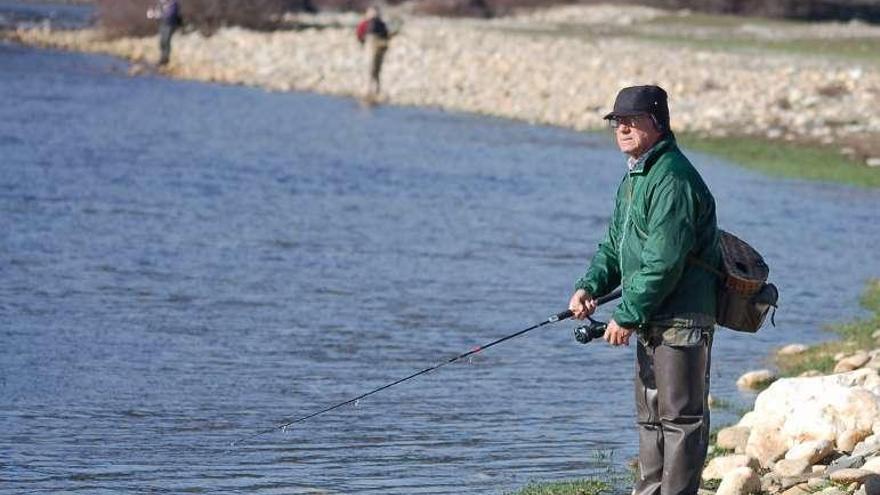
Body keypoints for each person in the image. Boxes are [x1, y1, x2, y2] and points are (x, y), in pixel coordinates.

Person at [568, 85, 721, 495]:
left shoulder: (673, 179)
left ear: (657, 123)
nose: (622, 128)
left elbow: (664, 261)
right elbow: (615, 246)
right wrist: (589, 287)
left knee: (681, 419)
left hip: (682, 316)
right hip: (653, 314)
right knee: (651, 417)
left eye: (632, 120)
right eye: (618, 121)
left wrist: (627, 314)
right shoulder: (636, 176)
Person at [356, 6, 391, 99]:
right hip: (370, 44)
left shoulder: (381, 23)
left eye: (375, 13)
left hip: (378, 46)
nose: (373, 15)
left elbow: (386, 35)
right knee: (369, 67)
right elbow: (359, 33)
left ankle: (375, 89)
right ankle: (368, 89)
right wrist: (363, 42)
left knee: (376, 68)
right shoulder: (365, 23)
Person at [147, 0, 183, 66]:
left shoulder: (173, 3)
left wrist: (159, 14)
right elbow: (155, 13)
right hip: (162, 24)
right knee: (162, 42)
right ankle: (162, 58)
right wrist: (153, 14)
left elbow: (170, 14)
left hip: (170, 24)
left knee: (166, 40)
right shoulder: (161, 4)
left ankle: (166, 59)